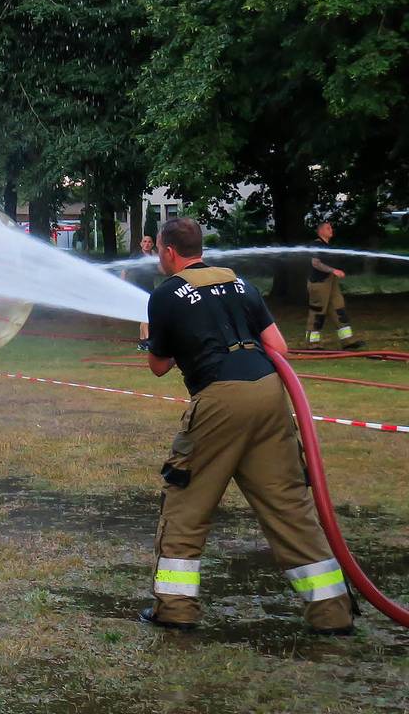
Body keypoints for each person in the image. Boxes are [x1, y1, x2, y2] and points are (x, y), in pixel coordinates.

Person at [141, 218, 353, 634]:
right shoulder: (242, 285)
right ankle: (333, 612)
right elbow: (278, 347)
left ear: (167, 251)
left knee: (186, 502)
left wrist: (148, 334)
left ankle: (176, 608)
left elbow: (159, 366)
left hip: (220, 399)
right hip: (270, 393)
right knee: (288, 504)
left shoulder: (165, 294)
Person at [305, 222, 363, 350]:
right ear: (320, 231)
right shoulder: (316, 245)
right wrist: (333, 270)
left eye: (331, 227)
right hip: (319, 283)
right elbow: (316, 263)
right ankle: (312, 343)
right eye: (328, 228)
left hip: (331, 282)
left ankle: (348, 341)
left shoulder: (327, 246)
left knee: (339, 310)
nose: (331, 230)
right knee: (318, 312)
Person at [120, 234, 160, 350]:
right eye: (145, 241)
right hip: (140, 288)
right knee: (146, 316)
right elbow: (124, 270)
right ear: (141, 244)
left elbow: (161, 267)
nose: (147, 244)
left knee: (144, 316)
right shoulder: (136, 256)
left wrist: (155, 255)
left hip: (150, 289)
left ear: (152, 244)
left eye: (149, 242)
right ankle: (147, 342)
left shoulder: (152, 256)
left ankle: (142, 343)